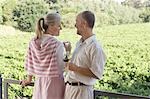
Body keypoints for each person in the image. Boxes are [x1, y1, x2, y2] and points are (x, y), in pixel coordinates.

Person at [21, 12, 70, 99]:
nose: (61, 28)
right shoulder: (57, 44)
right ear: (51, 26)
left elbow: (29, 62)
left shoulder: (33, 42)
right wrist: (68, 51)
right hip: (54, 84)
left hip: (39, 83)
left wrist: (29, 79)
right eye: (58, 25)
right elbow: (64, 67)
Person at [64, 11, 106, 99]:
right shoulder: (79, 43)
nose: (75, 25)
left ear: (84, 24)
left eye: (77, 21)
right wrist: (68, 52)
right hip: (70, 89)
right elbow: (74, 65)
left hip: (82, 93)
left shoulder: (95, 47)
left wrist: (75, 68)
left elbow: (97, 73)